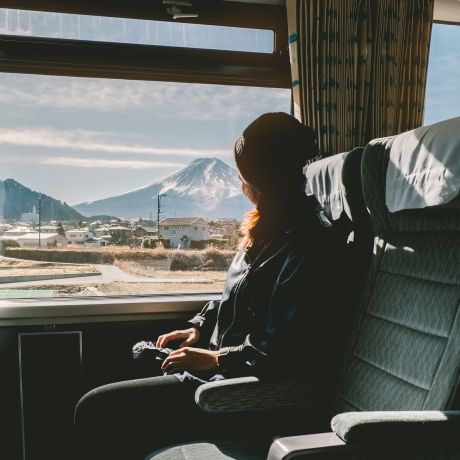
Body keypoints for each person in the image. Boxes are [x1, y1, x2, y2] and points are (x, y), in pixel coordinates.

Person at [74, 112, 344, 459]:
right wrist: (199, 328)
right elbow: (239, 299)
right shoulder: (266, 233)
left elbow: (283, 349)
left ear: (258, 179)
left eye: (243, 173)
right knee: (110, 361)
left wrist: (214, 359)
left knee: (97, 409)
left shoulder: (309, 245)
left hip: (241, 393)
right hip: (224, 369)